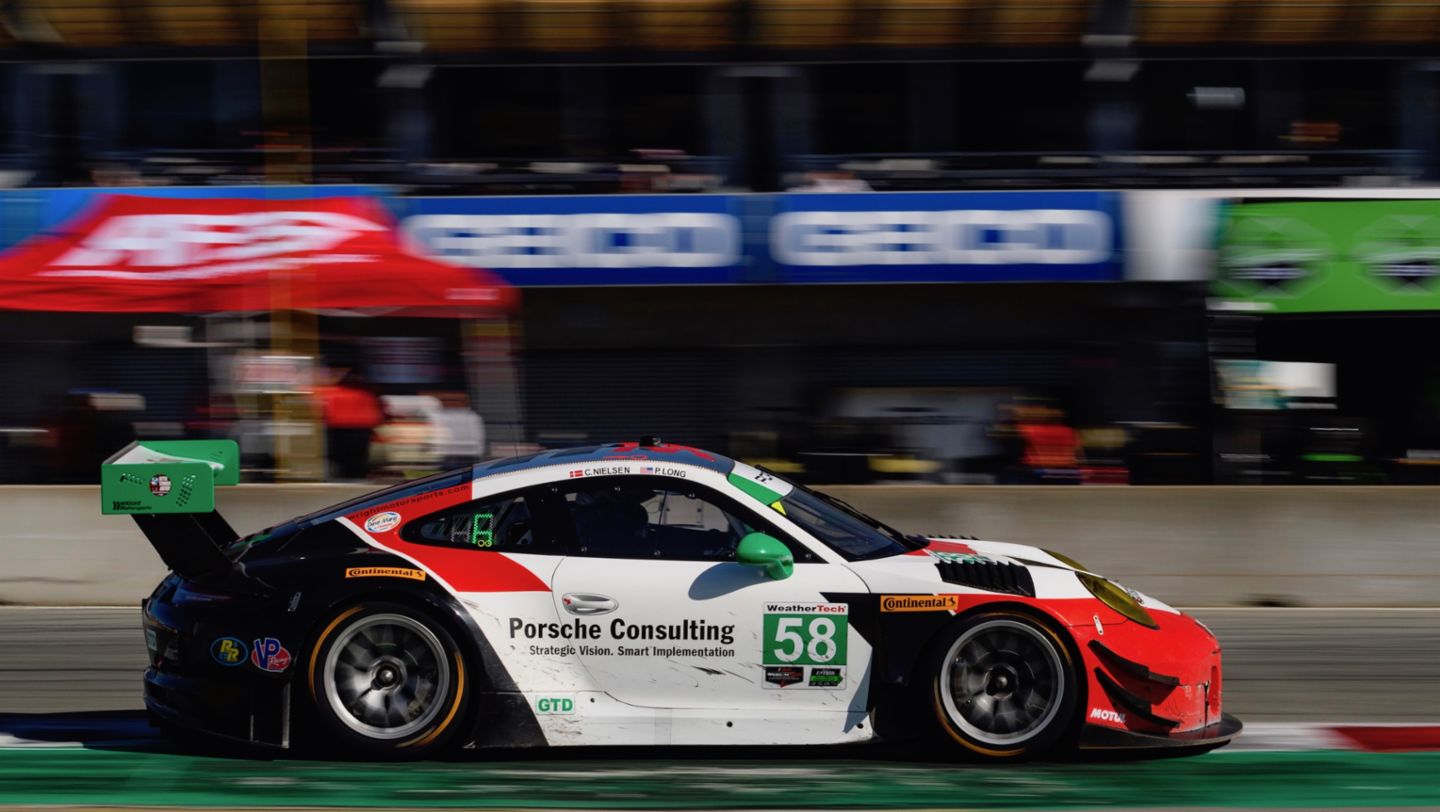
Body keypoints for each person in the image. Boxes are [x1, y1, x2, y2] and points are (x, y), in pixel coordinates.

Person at [315, 369, 384, 480]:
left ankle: (343, 476)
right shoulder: (366, 394)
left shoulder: (331, 393)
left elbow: (325, 412)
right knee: (358, 457)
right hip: (360, 430)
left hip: (337, 429)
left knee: (340, 456)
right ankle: (357, 476)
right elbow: (376, 414)